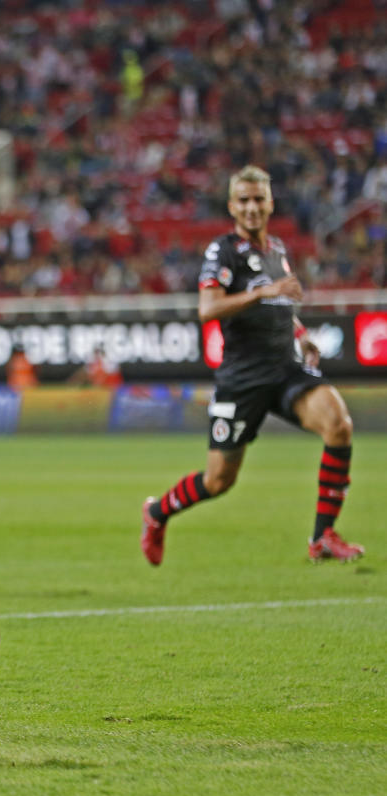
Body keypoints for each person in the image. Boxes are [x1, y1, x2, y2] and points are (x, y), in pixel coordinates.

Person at [140, 165, 364, 566]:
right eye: (243, 200)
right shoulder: (222, 251)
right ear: (231, 206)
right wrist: (264, 291)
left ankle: (322, 537)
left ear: (270, 203)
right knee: (218, 481)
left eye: (258, 199)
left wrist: (300, 335)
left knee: (339, 424)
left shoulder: (277, 251)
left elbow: (278, 305)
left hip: (284, 370)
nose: (251, 207)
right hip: (242, 379)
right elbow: (208, 308)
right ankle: (158, 513)